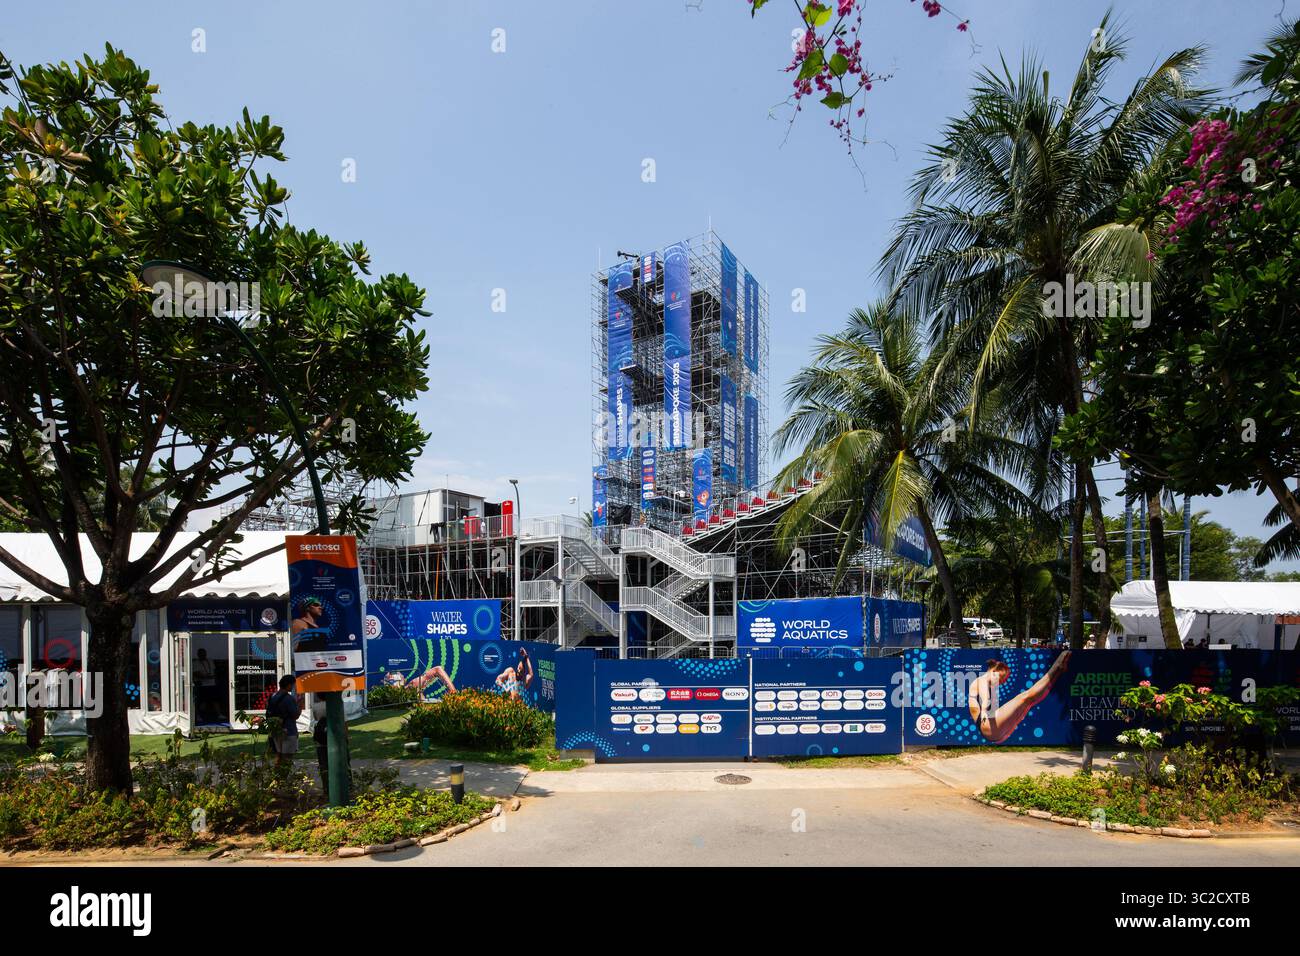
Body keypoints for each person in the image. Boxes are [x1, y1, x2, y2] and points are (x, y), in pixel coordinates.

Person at [968, 651, 1071, 744]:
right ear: (994, 671)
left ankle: (1058, 671)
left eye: (1002, 681)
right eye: (1001, 679)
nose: (1001, 683)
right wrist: (984, 711)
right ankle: (1056, 667)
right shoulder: (981, 680)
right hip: (987, 725)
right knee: (1024, 697)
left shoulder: (984, 683)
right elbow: (985, 700)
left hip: (993, 731)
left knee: (1029, 702)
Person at [264, 675, 302, 765]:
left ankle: (277, 774)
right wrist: (300, 705)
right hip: (288, 731)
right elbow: (295, 715)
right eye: (293, 685)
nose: (294, 687)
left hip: (276, 730)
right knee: (287, 759)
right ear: (289, 685)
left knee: (279, 756)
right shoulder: (289, 698)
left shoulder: (272, 696)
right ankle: (283, 774)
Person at [194, 648, 217, 722]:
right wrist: (206, 677)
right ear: (198, 655)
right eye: (201, 654)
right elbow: (196, 673)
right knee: (200, 701)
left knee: (215, 699)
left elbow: (214, 671)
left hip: (212, 684)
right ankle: (198, 715)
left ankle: (219, 714)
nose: (203, 655)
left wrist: (213, 677)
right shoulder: (196, 663)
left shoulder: (210, 661)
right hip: (201, 685)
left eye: (204, 653)